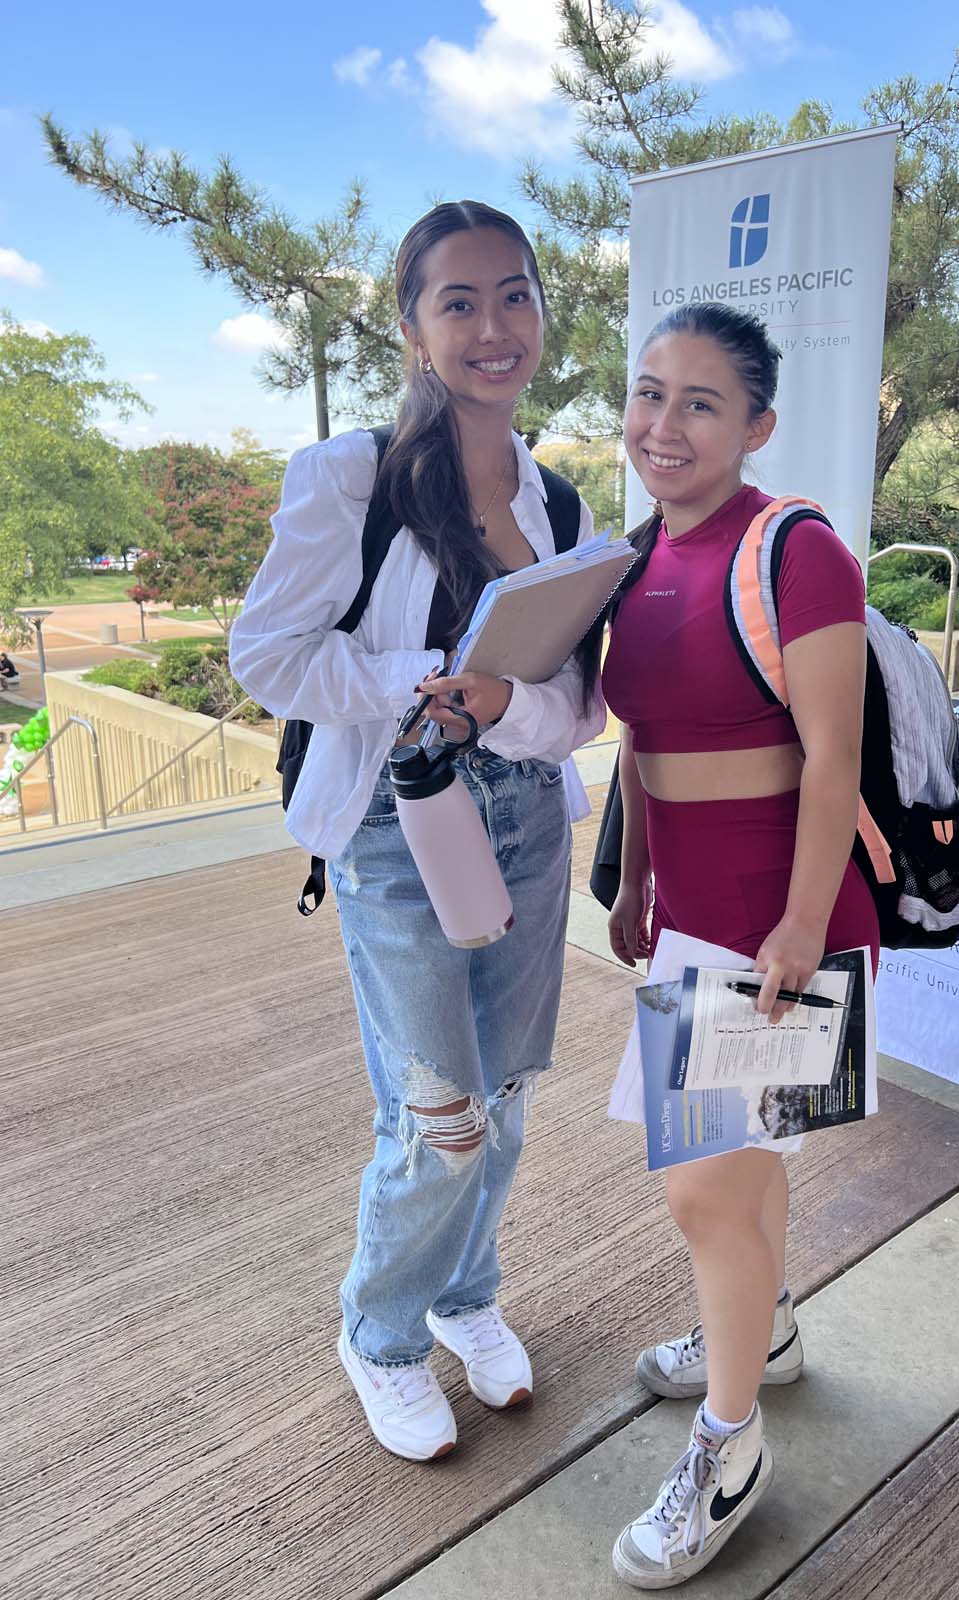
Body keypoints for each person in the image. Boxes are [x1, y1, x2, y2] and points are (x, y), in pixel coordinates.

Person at [230, 201, 604, 1464]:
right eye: (459, 302)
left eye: (515, 296)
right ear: (412, 325)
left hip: (524, 825)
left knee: (501, 1094)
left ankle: (464, 1295)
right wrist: (421, 681)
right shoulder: (350, 476)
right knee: (439, 1112)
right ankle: (381, 1333)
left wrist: (507, 701)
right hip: (398, 823)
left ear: (543, 315)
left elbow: (578, 710)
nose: (493, 327)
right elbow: (270, 657)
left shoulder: (557, 496)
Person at [601, 303, 880, 1587]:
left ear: (756, 425)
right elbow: (646, 746)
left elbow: (832, 758)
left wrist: (799, 930)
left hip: (782, 920)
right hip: (695, 917)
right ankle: (758, 1340)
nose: (665, 424)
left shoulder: (797, 550)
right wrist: (637, 881)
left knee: (701, 1184)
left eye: (701, 403)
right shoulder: (637, 555)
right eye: (649, 393)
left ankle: (731, 1443)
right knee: (746, 1173)